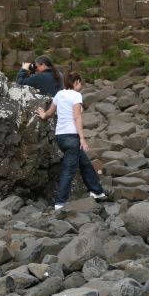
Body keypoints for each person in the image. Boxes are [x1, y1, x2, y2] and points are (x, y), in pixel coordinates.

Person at [35, 71, 108, 210]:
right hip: (72, 137)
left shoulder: (59, 94)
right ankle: (60, 203)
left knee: (85, 163)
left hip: (60, 137)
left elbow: (49, 113)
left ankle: (97, 192)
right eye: (80, 83)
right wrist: (82, 138)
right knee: (69, 170)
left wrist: (43, 115)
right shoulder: (76, 95)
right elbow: (77, 117)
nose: (81, 86)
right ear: (77, 82)